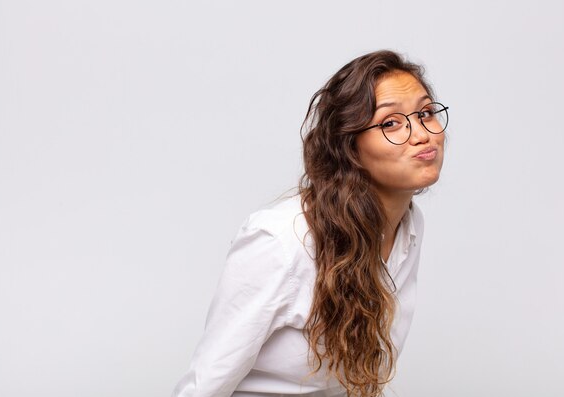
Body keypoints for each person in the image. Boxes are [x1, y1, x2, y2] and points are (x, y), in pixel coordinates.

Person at [172, 50, 449, 397]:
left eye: (426, 113)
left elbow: (365, 378)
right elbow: (204, 387)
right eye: (391, 122)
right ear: (350, 147)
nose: (422, 134)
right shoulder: (280, 241)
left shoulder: (408, 225)